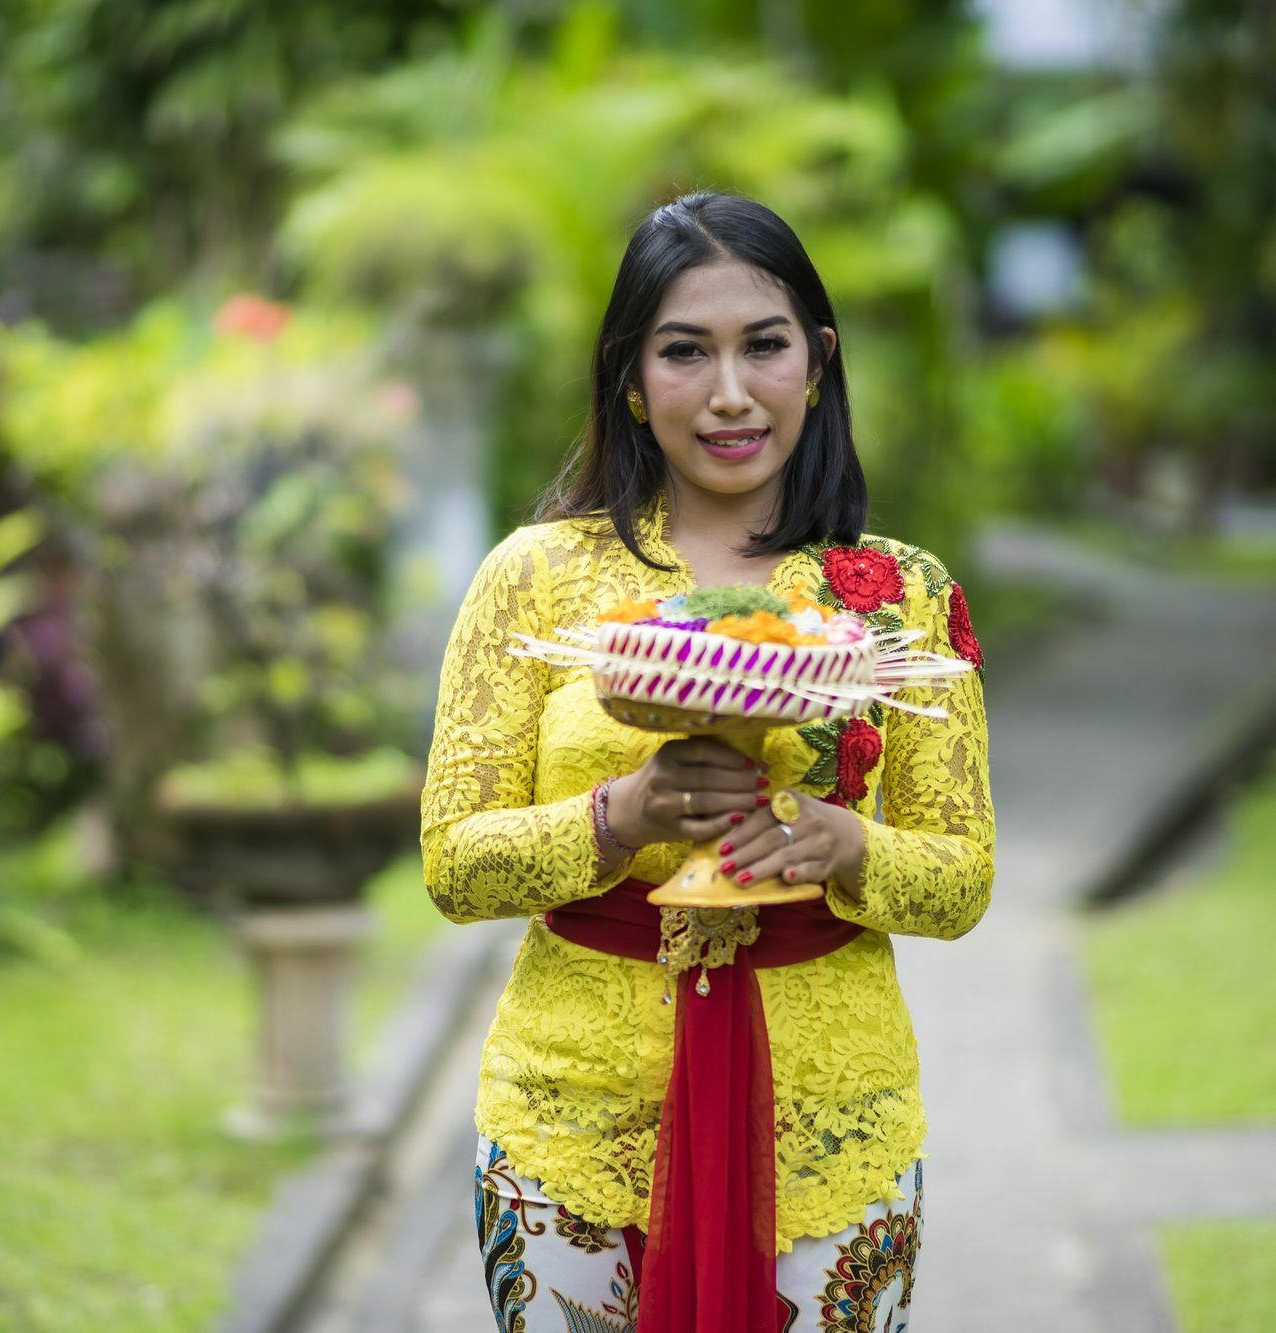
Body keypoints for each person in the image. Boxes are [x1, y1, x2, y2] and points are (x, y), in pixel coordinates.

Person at [420, 192, 994, 1333]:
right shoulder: (532, 581)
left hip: (831, 1122)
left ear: (817, 364)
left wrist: (842, 843)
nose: (729, 393)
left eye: (763, 345)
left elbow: (963, 876)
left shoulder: (900, 598)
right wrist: (619, 816)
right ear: (631, 378)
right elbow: (451, 864)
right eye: (684, 351)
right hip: (566, 1127)